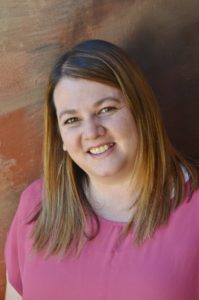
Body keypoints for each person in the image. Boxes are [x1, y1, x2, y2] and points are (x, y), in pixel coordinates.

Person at [5, 39, 199, 300]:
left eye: (106, 109)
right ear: (60, 137)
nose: (92, 132)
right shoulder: (36, 206)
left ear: (142, 111)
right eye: (72, 120)